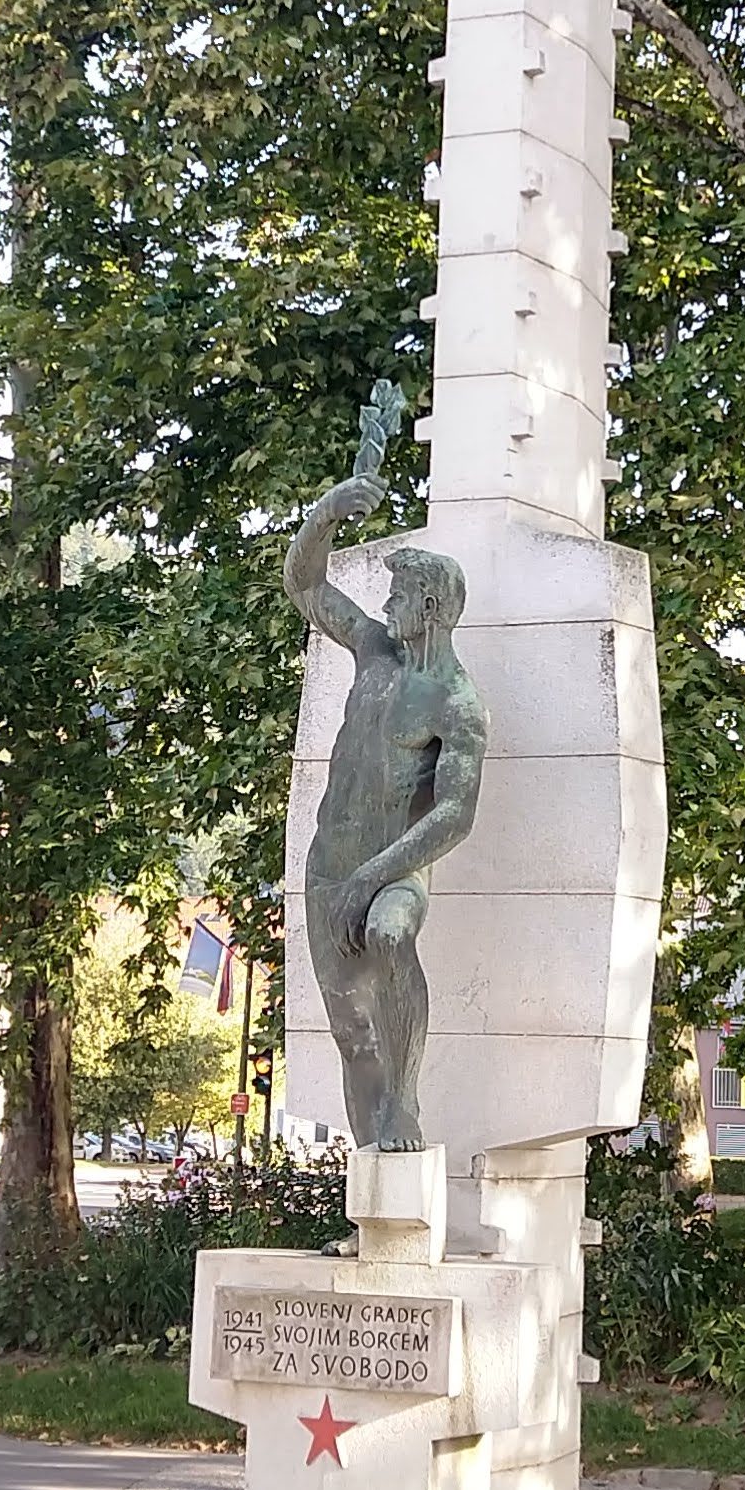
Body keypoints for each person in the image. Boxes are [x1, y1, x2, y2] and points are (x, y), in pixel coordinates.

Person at [284, 456, 490, 1152]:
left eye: (397, 594)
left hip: (393, 873)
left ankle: (404, 1103)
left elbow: (455, 815)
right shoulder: (373, 650)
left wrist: (370, 879)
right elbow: (304, 584)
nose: (385, 604)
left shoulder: (456, 702)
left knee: (390, 934)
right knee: (352, 1034)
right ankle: (373, 1166)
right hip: (328, 868)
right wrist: (327, 513)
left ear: (430, 609)